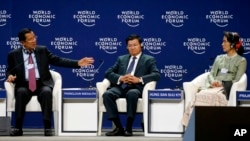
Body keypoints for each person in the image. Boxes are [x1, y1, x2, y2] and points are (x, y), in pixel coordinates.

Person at [6, 28, 94, 136]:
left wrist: (77, 63)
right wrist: (9, 76)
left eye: (34, 37)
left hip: (42, 84)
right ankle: (18, 127)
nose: (34, 40)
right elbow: (9, 70)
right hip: (24, 84)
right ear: (22, 42)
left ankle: (47, 127)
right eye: (30, 39)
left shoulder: (42, 50)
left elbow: (58, 60)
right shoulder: (13, 54)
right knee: (20, 93)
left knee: (47, 92)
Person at [182, 31, 247, 127]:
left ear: (232, 44)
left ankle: (214, 126)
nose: (222, 44)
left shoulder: (241, 60)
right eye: (222, 41)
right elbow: (211, 74)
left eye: (225, 42)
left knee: (214, 97)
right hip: (213, 86)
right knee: (200, 95)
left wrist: (222, 84)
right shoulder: (219, 58)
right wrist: (213, 82)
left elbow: (237, 80)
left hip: (226, 89)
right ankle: (196, 125)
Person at [102, 34, 161, 136]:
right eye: (130, 45)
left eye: (135, 45)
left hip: (136, 88)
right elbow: (108, 72)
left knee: (132, 94)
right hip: (122, 86)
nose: (132, 47)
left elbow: (156, 75)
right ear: (127, 47)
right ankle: (119, 127)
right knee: (107, 94)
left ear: (140, 45)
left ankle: (129, 128)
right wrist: (121, 78)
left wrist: (139, 79)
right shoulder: (121, 58)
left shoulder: (148, 59)